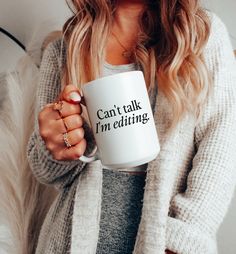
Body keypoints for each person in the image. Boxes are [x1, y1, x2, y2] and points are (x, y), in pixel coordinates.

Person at [26, 0, 236, 253]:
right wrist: (58, 147)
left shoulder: (202, 35)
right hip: (70, 243)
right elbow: (45, 171)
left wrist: (182, 240)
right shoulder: (63, 51)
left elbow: (222, 145)